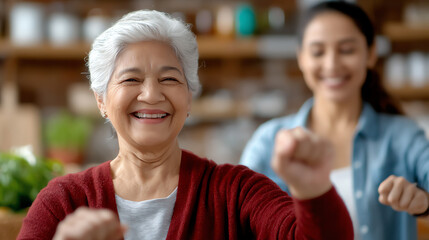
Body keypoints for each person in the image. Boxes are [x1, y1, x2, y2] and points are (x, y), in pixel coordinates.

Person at [17, 9, 353, 240]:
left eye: (169, 78)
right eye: (131, 79)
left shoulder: (235, 192)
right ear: (101, 101)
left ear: (189, 98)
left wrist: (313, 191)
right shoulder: (63, 201)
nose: (151, 94)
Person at [240, 1, 429, 240]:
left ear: (370, 54)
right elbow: (238, 223)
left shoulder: (403, 136)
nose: (332, 64)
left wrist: (424, 203)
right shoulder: (269, 141)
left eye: (347, 50)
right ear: (301, 58)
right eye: (318, 52)